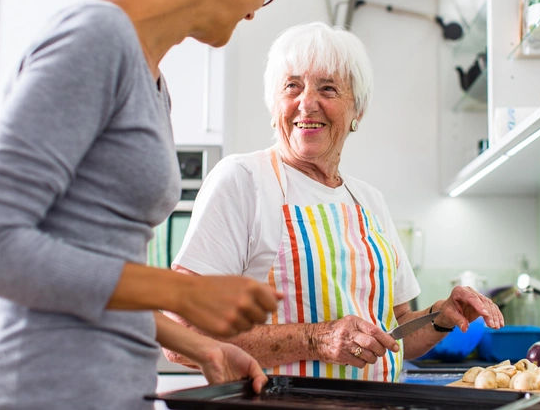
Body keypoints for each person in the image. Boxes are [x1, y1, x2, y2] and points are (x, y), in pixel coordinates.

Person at [0, 0, 287, 408]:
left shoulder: (154, 83)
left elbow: (97, 274)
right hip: (47, 390)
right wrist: (182, 292)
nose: (256, 8)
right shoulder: (95, 39)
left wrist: (203, 345)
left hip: (116, 388)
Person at [165, 22, 505, 382]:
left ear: (357, 111)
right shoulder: (243, 179)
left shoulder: (368, 201)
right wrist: (316, 340)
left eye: (327, 88)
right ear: (274, 103)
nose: (307, 103)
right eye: (292, 86)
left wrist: (440, 316)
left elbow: (397, 329)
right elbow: (180, 333)